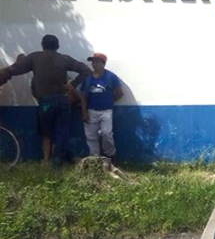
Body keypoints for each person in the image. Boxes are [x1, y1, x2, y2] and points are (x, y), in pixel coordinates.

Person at [0, 35, 91, 168]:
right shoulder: (65, 59)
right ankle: (60, 159)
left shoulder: (35, 57)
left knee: (48, 132)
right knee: (62, 131)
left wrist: (5, 73)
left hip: (46, 101)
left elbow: (14, 70)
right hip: (63, 99)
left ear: (42, 45)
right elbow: (86, 70)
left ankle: (62, 158)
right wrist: (73, 84)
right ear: (58, 46)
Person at [80, 53, 123, 160]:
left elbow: (119, 93)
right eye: (93, 61)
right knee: (91, 136)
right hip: (91, 111)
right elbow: (83, 96)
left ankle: (110, 155)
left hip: (106, 111)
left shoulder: (111, 77)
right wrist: (84, 112)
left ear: (103, 64)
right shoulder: (88, 78)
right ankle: (94, 158)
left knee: (106, 133)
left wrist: (109, 102)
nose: (94, 64)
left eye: (97, 61)